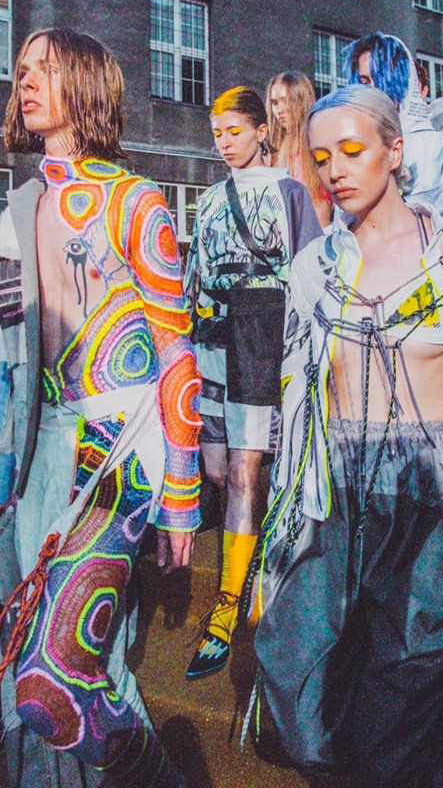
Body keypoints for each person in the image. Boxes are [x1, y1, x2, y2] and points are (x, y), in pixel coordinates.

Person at [253, 85, 443, 788]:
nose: (335, 170)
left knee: (408, 686)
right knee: (305, 678)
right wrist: (285, 508)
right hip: (335, 491)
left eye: (352, 150)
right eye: (321, 157)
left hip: (430, 493)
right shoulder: (313, 267)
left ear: (396, 150)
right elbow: (298, 395)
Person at [0, 29, 202, 787]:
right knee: (57, 654)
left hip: (122, 444)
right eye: (21, 70)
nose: (25, 81)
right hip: (44, 445)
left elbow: (176, 351)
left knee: (54, 683)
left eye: (45, 70)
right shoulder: (21, 204)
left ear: (85, 83)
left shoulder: (136, 199)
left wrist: (181, 496)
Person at [184, 86, 322, 679]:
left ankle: (228, 604)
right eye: (216, 133)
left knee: (243, 470)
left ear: (262, 131)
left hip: (264, 338)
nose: (223, 142)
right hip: (213, 340)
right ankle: (253, 555)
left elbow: (312, 270)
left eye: (234, 131)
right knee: (219, 470)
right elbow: (194, 272)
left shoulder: (290, 192)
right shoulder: (209, 198)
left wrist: (302, 352)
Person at [344, 32, 443, 219]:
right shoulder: (351, 148)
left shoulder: (437, 146)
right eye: (365, 82)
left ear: (403, 81)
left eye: (382, 79)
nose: (373, 89)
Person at [266, 70, 333, 226]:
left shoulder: (317, 144)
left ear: (302, 99)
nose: (279, 110)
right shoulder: (273, 150)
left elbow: (321, 211)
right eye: (275, 103)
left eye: (286, 100)